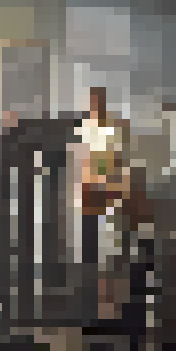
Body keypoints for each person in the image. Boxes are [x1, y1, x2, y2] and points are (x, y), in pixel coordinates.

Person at [76, 86, 146, 315]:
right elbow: (83, 164)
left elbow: (116, 164)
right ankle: (96, 305)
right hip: (90, 199)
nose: (93, 107)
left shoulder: (112, 130)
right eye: (91, 103)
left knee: (109, 255)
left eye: (96, 102)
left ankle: (109, 306)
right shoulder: (85, 129)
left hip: (106, 198)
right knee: (92, 255)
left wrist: (112, 189)